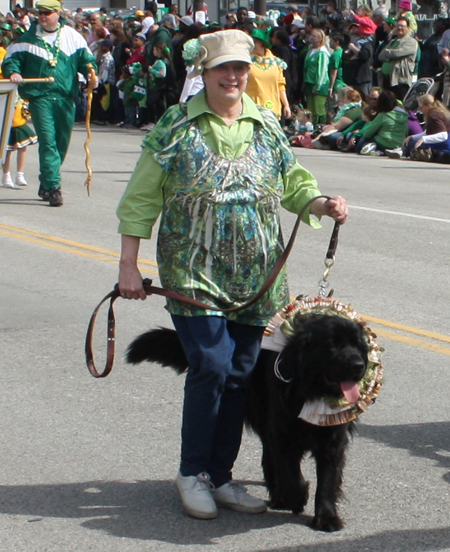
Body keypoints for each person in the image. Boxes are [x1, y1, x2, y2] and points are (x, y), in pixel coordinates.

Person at [116, 29, 348, 521]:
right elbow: (140, 197)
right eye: (223, 68)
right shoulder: (175, 127)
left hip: (259, 277)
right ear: (204, 72)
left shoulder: (265, 123)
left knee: (243, 374)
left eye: (241, 68)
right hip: (193, 272)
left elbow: (292, 181)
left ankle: (221, 477)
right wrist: (129, 265)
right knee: (213, 366)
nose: (233, 76)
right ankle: (193, 473)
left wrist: (321, 203)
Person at [2, 0, 98, 206]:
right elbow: (11, 60)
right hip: (40, 97)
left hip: (65, 98)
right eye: (40, 13)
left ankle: (46, 181)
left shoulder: (72, 37)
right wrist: (15, 72)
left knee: (61, 143)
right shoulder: (27, 39)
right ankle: (54, 187)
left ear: (57, 14)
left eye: (47, 13)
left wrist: (91, 73)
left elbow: (87, 60)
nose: (43, 17)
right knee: (48, 141)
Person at [246, 28, 291, 120]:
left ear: (263, 43)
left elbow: (281, 85)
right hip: (252, 109)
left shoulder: (276, 62)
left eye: (255, 42)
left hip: (272, 109)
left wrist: (286, 105)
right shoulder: (246, 61)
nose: (252, 45)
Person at [386, 94, 450, 158]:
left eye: (421, 107)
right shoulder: (438, 112)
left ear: (428, 105)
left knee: (413, 144)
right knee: (412, 141)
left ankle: (402, 151)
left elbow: (443, 135)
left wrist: (423, 139)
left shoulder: (434, 115)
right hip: (444, 143)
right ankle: (402, 151)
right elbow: (428, 132)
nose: (420, 110)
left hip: (444, 145)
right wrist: (412, 137)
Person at [378, 16, 418, 101]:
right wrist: (390, 54)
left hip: (400, 81)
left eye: (402, 26)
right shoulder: (393, 41)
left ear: (408, 28)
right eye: (397, 25)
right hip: (387, 80)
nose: (399, 28)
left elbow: (397, 53)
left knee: (400, 104)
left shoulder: (411, 42)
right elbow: (381, 55)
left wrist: (388, 53)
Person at [356, 89, 408, 154]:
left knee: (360, 144)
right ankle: (383, 152)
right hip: (399, 144)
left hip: (383, 142)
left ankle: (375, 150)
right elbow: (406, 131)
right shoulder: (404, 115)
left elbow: (368, 133)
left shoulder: (383, 115)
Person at [2, 97, 37, 188]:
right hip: (6, 123)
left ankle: (20, 174)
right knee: (7, 151)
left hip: (18, 122)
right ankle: (6, 175)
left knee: (22, 148)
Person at [303, 28, 330, 127]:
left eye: (314, 36)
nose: (311, 38)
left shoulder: (322, 52)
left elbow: (322, 70)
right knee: (310, 110)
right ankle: (311, 127)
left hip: (319, 84)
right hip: (309, 83)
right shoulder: (311, 50)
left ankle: (321, 126)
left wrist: (317, 85)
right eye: (311, 35)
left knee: (319, 109)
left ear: (320, 38)